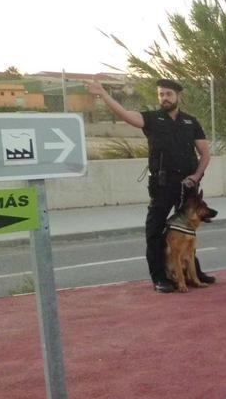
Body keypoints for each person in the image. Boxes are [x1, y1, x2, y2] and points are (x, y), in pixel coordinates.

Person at [86, 78, 214, 293]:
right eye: (161, 94)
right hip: (163, 185)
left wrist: (197, 175)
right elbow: (126, 115)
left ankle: (194, 273)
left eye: (168, 94)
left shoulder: (191, 122)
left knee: (188, 230)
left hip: (188, 185)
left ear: (178, 97)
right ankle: (159, 278)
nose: (164, 98)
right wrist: (103, 94)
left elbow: (205, 153)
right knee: (155, 231)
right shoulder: (153, 119)